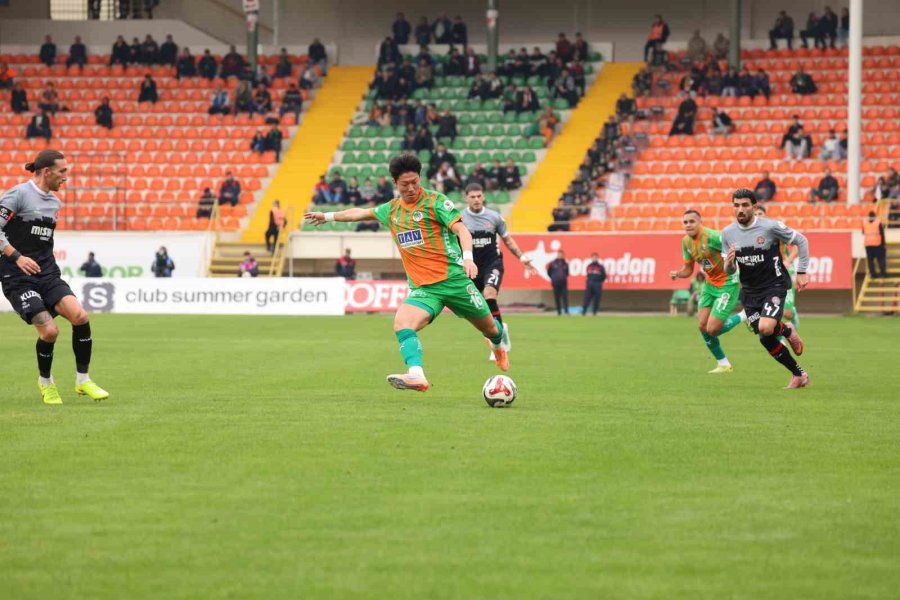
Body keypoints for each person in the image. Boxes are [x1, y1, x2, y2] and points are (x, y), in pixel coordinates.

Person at [304, 153, 509, 392]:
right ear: (395, 183)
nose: (411, 188)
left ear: (420, 178)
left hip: (455, 281)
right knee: (402, 324)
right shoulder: (391, 210)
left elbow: (462, 231)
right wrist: (327, 216)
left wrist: (468, 258)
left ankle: (498, 347)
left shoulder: (436, 202)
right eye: (405, 184)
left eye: (415, 182)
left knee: (491, 329)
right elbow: (360, 213)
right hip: (424, 289)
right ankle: (416, 375)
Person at [0, 150, 109, 403]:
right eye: (62, 172)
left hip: (47, 273)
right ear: (47, 172)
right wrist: (17, 257)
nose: (65, 177)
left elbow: (41, 241)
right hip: (17, 275)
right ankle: (46, 383)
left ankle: (83, 380)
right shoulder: (18, 194)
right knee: (49, 331)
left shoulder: (54, 204)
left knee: (80, 316)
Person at [723, 189, 809, 389]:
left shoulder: (770, 227)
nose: (740, 209)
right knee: (765, 338)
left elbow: (801, 240)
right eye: (736, 205)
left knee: (765, 327)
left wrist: (802, 271)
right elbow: (729, 270)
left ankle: (786, 330)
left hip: (774, 286)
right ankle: (799, 374)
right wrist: (729, 264)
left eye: (745, 205)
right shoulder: (727, 233)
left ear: (754, 206)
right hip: (749, 291)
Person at [460, 183, 537, 360]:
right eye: (472, 197)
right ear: (466, 198)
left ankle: (499, 344)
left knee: (489, 294)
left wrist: (522, 257)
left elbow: (507, 240)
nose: (476, 199)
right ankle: (501, 330)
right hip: (471, 267)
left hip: (492, 264)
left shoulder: (494, 217)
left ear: (484, 196)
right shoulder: (459, 219)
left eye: (479, 196)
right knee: (476, 308)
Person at [669, 210, 745, 373]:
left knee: (712, 329)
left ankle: (745, 315)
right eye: (685, 222)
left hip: (727, 284)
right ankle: (723, 364)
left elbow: (737, 251)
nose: (688, 225)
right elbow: (688, 269)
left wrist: (743, 275)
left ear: (700, 222)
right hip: (709, 284)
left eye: (692, 221)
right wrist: (678, 273)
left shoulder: (713, 237)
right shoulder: (686, 242)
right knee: (702, 326)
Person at [754, 204, 800, 331]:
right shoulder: (750, 235)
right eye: (755, 214)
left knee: (787, 313)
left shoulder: (774, 230)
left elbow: (798, 245)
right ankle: (778, 335)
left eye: (760, 214)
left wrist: (788, 261)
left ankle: (792, 312)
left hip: (784, 272)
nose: (758, 216)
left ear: (765, 216)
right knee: (767, 311)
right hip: (767, 275)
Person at [863, 211, 887, 278]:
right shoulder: (878, 223)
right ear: (875, 216)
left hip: (868, 245)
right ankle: (883, 274)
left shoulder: (865, 224)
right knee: (881, 259)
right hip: (877, 244)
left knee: (870, 261)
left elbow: (863, 232)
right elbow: (882, 234)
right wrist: (884, 244)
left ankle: (872, 274)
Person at [547, 250, 569, 315]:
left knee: (564, 297)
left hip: (563, 283)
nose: (560, 255)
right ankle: (559, 312)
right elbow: (549, 272)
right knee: (557, 297)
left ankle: (566, 311)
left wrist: (563, 277)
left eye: (561, 254)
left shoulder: (565, 263)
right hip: (555, 283)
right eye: (559, 254)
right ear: (557, 255)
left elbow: (567, 273)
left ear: (563, 255)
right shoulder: (552, 263)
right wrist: (554, 278)